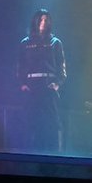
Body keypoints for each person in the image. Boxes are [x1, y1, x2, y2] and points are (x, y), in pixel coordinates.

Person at [17, 8, 67, 153]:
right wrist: (22, 84)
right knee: (30, 122)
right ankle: (29, 154)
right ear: (35, 21)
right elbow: (20, 66)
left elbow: (62, 67)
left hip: (48, 87)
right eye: (41, 19)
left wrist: (57, 84)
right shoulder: (25, 43)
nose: (44, 22)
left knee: (52, 123)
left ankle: (53, 155)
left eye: (46, 20)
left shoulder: (55, 43)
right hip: (31, 88)